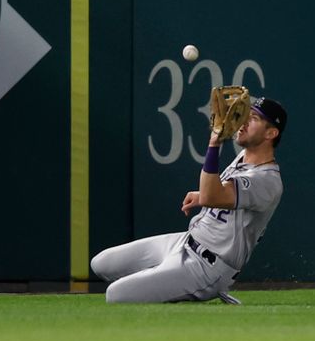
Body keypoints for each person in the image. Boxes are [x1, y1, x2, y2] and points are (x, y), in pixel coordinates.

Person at [90, 96, 287, 303]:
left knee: (116, 295)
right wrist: (202, 197)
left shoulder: (268, 181)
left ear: (271, 133)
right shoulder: (245, 156)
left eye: (254, 118)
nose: (243, 121)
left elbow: (216, 195)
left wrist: (214, 144)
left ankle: (189, 287)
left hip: (207, 267)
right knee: (100, 264)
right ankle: (166, 280)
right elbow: (217, 195)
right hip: (184, 242)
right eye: (245, 114)